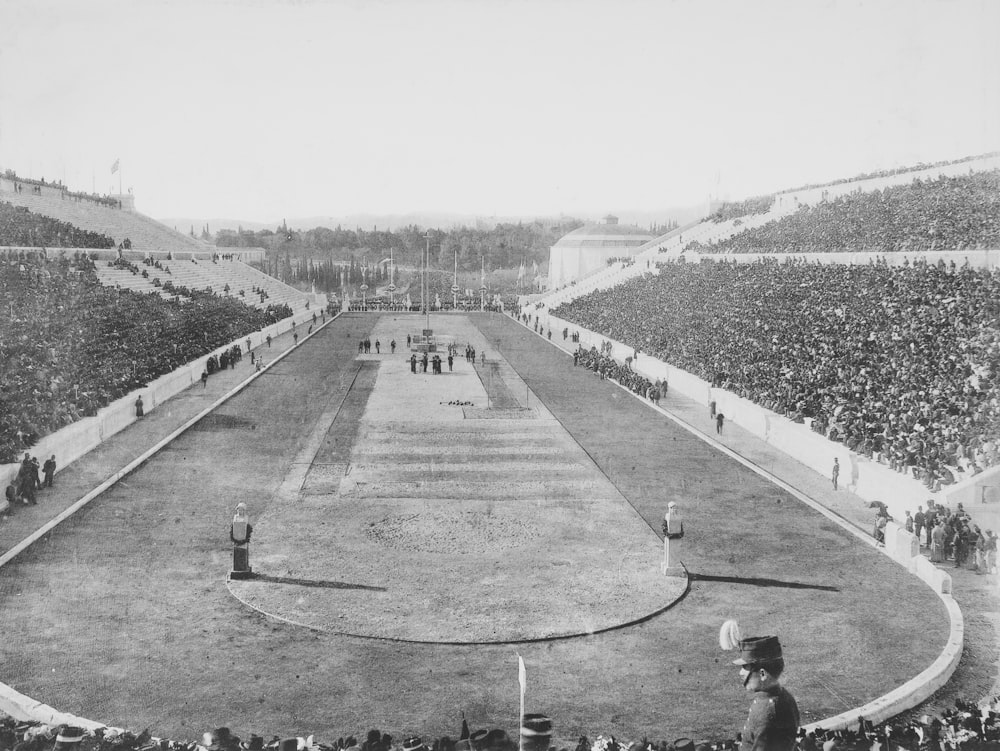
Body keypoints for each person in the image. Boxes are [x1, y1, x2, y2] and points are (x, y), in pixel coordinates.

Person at [733, 634, 800, 751]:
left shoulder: (768, 712)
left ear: (762, 674)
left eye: (745, 667)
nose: (741, 673)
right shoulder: (781, 696)